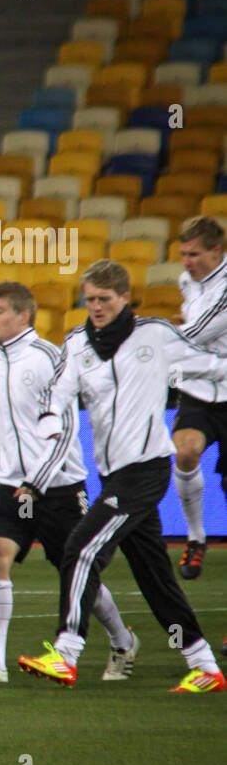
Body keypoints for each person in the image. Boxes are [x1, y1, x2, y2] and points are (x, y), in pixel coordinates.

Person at [17, 260, 226, 692]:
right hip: (112, 475)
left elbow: (211, 364)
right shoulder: (76, 342)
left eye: (104, 299)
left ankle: (66, 651)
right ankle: (205, 667)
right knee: (154, 576)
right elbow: (59, 389)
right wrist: (51, 419)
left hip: (146, 470)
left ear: (125, 298)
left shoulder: (156, 335)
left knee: (80, 549)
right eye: (90, 299)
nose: (96, 307)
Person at [0, 281, 138, 685]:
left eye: (0, 310)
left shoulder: (48, 358)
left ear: (25, 315)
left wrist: (38, 483)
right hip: (12, 487)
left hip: (57, 487)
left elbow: (66, 430)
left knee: (75, 572)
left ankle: (122, 639)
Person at [169, 215, 227, 580]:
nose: (187, 262)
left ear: (217, 251)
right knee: (185, 450)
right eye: (183, 254)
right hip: (197, 389)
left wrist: (157, 338)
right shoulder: (187, 281)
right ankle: (195, 537)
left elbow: (194, 335)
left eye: (194, 255)